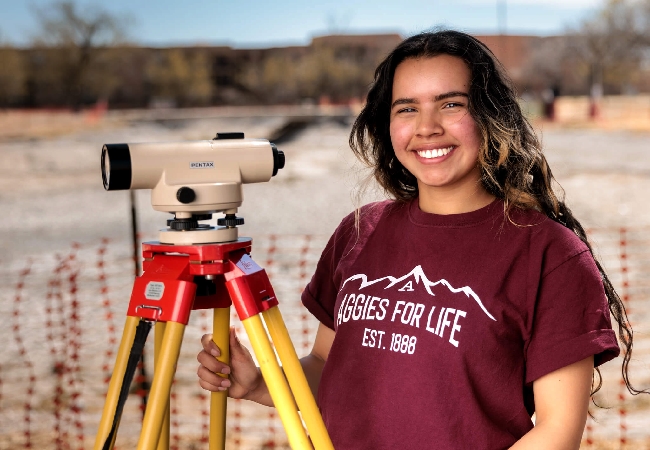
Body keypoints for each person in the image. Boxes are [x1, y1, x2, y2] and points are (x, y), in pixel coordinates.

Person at [197, 30, 643, 449]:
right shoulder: (359, 231)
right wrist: (260, 382)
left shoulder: (549, 253)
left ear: (489, 115)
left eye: (450, 105)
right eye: (406, 108)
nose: (426, 127)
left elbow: (556, 431)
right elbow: (329, 370)